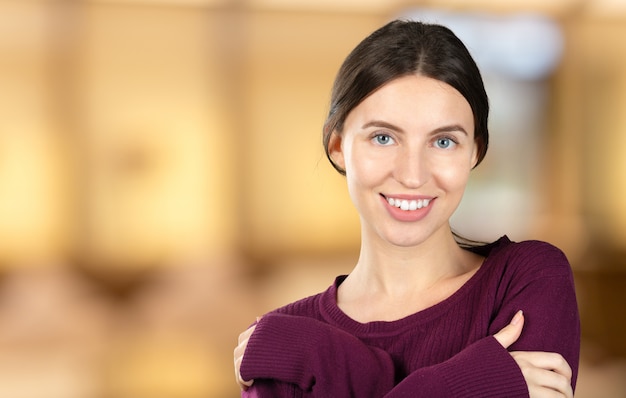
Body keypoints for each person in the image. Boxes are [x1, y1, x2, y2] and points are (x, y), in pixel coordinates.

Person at [233, 19, 580, 397]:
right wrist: (479, 380)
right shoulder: (291, 331)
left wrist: (319, 354)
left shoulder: (527, 279)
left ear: (474, 152)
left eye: (444, 141)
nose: (413, 175)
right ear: (338, 147)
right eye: (383, 137)